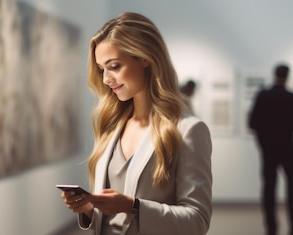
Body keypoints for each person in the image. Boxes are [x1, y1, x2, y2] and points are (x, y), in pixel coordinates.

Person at [60, 12, 213, 235]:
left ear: (144, 58)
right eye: (102, 69)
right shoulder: (112, 127)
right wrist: (89, 208)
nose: (105, 79)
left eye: (114, 66)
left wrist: (132, 206)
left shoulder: (189, 130)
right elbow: (112, 221)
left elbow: (197, 221)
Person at [248, 63, 293, 235]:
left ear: (275, 74)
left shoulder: (263, 95)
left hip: (269, 151)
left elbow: (253, 123)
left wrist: (263, 144)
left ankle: (271, 228)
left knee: (269, 190)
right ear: (287, 76)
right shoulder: (291, 97)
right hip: (288, 149)